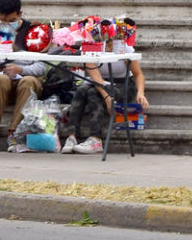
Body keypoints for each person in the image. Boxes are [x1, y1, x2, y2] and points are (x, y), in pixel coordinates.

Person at [61, 22, 149, 155]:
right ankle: (71, 135)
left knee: (93, 93)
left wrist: (141, 93)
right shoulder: (91, 49)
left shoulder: (124, 48)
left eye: (111, 42)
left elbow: (138, 74)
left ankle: (96, 138)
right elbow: (97, 80)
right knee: (81, 91)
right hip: (101, 82)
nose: (109, 46)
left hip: (122, 83)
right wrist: (107, 97)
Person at [0, 0, 47, 152]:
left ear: (20, 14)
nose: (7, 25)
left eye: (11, 21)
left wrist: (21, 69)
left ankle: (15, 133)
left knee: (28, 81)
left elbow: (42, 66)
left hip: (25, 79)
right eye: (3, 21)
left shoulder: (33, 32)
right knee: (1, 81)